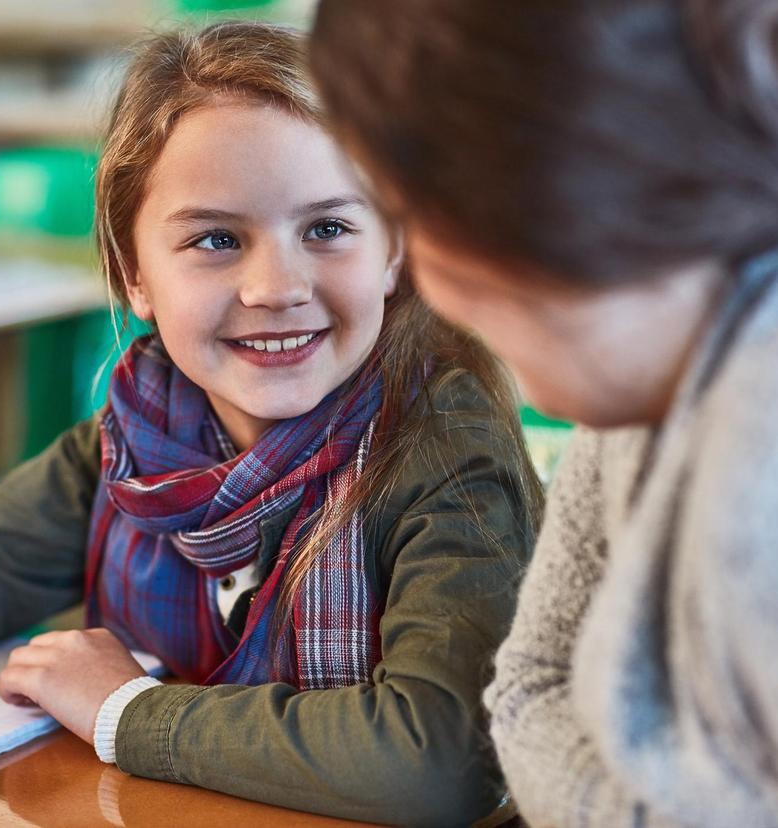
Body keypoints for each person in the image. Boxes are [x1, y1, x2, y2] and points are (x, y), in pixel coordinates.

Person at [0, 22, 541, 826]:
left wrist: (125, 711)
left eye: (327, 228)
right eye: (217, 239)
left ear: (393, 250)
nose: (275, 286)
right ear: (134, 275)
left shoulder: (444, 452)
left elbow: (435, 764)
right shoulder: (140, 438)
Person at [310, 0, 778, 825]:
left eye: (411, 215)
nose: (416, 273)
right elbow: (526, 685)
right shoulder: (631, 398)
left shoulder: (754, 442)